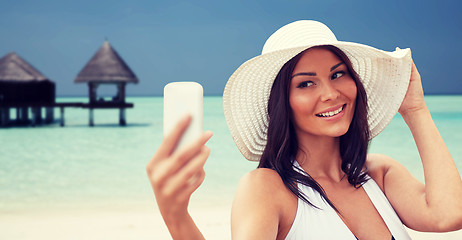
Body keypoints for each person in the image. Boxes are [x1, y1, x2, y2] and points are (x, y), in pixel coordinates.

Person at [146, 20, 462, 239]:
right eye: (306, 83)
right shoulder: (267, 189)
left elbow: (449, 215)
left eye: (338, 75)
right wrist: (176, 216)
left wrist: (415, 110)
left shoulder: (378, 174)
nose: (330, 93)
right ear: (283, 101)